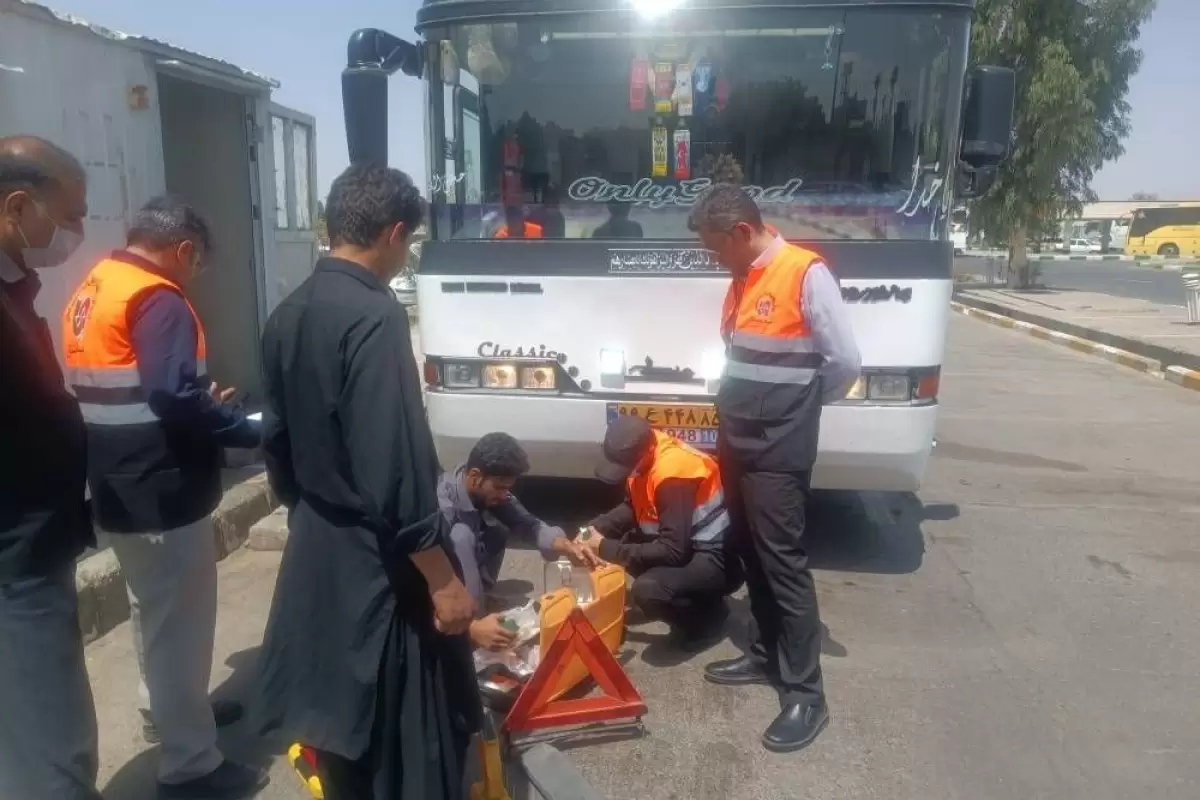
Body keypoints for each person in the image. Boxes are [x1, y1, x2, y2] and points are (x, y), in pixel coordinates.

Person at [253, 163, 479, 800]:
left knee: (337, 728)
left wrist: (314, 512)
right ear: (395, 233)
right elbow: (396, 468)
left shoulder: (289, 312)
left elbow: (277, 442)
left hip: (319, 543)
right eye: (407, 244)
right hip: (380, 561)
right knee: (401, 741)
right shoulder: (374, 317)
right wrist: (443, 581)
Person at [60, 195, 266, 798]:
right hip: (164, 490)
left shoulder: (97, 286)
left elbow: (129, 390)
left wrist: (202, 402)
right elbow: (173, 396)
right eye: (197, 261)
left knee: (150, 612)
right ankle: (192, 764)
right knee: (180, 628)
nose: (194, 272)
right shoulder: (159, 297)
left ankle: (169, 716)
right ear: (183, 250)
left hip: (118, 488)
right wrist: (241, 426)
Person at [688, 184, 860, 753]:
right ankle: (765, 654)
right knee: (751, 552)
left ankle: (807, 693)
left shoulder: (805, 273)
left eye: (716, 248)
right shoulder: (743, 277)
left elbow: (843, 364)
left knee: (783, 563)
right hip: (737, 438)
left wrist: (798, 411)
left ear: (741, 232)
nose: (715, 259)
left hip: (779, 448)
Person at [0, 136, 102, 800]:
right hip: (16, 555)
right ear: (16, 205)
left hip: (38, 541)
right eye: (69, 215)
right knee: (49, 733)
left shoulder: (14, 286)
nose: (78, 232)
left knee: (45, 721)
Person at [582, 416, 739, 645]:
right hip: (691, 547)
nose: (624, 472)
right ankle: (703, 600)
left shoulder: (672, 475)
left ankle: (706, 621)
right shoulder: (645, 452)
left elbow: (673, 551)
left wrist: (604, 547)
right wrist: (591, 531)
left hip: (719, 559)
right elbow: (634, 506)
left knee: (648, 590)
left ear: (646, 451)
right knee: (630, 546)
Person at [438, 433, 600, 652]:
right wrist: (471, 629)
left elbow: (529, 525)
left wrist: (567, 546)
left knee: (498, 530)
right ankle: (468, 624)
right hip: (437, 587)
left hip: (459, 582)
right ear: (475, 477)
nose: (505, 494)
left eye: (508, 488)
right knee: (462, 536)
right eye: (500, 487)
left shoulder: (488, 490)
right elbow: (420, 582)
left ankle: (480, 602)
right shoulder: (441, 509)